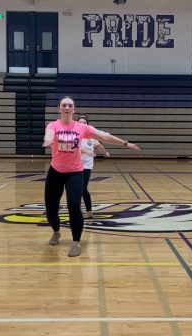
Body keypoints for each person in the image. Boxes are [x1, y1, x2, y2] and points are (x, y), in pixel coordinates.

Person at [43, 96, 140, 257]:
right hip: (55, 172)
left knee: (74, 206)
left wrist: (124, 143)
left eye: (70, 105)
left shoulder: (81, 128)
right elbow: (49, 133)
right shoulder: (53, 125)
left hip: (75, 172)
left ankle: (76, 243)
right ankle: (57, 231)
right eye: (64, 105)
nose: (67, 107)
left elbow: (104, 136)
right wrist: (48, 139)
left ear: (73, 109)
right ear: (59, 108)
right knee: (51, 210)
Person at [77, 114, 110, 219]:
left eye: (84, 122)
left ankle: (89, 211)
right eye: (80, 122)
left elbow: (99, 146)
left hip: (87, 165)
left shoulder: (91, 136)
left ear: (87, 125)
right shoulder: (74, 135)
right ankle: (78, 209)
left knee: (83, 188)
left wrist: (105, 152)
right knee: (76, 188)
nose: (82, 124)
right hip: (75, 165)